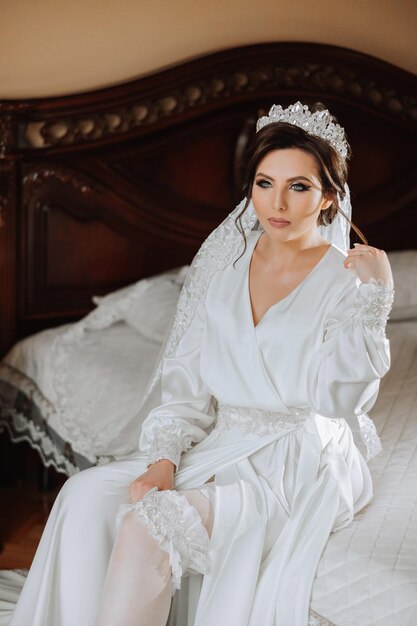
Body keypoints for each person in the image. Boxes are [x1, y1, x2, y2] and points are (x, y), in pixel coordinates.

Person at [7, 102, 394, 626]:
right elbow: (187, 382)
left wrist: (377, 300)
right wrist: (164, 459)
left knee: (152, 524)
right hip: (222, 442)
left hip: (294, 458)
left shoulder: (345, 281)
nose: (276, 202)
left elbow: (337, 400)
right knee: (83, 493)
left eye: (298, 187)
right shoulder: (225, 267)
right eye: (263, 183)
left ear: (328, 196)